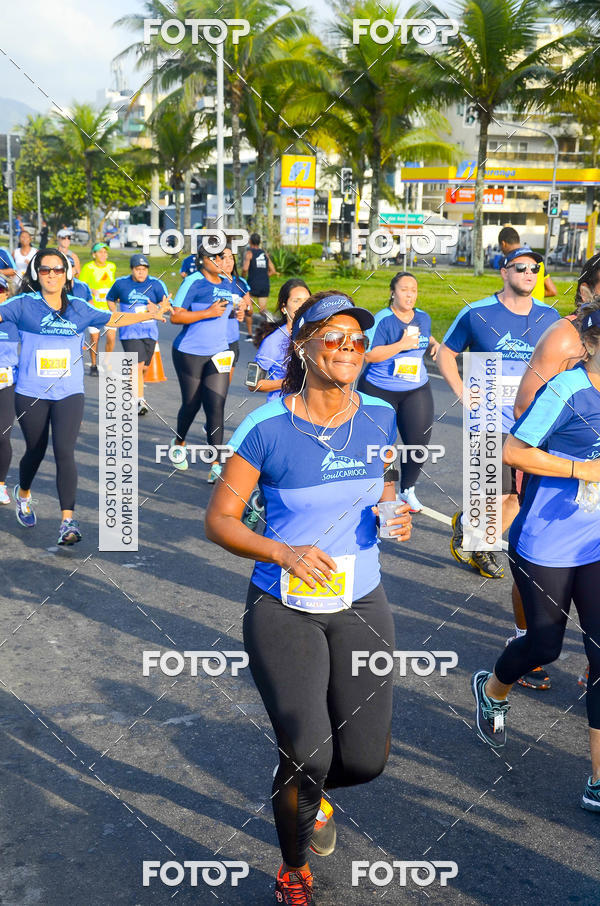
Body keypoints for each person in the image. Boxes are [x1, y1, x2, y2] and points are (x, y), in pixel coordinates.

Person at [205, 291, 412, 906]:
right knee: (306, 749)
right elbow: (220, 519)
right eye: (336, 336)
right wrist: (283, 552)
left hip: (361, 601)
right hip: (283, 605)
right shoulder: (267, 425)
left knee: (366, 760)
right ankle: (293, 864)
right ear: (303, 345)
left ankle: (311, 790)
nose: (350, 347)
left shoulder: (379, 414)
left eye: (357, 338)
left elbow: (388, 481)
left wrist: (393, 512)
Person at [472, 289, 600, 813]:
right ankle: (494, 688)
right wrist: (579, 468)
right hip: (546, 539)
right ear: (593, 343)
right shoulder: (569, 389)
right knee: (545, 646)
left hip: (595, 543)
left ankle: (597, 779)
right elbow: (510, 449)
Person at [1, 248, 169, 545]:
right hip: (31, 392)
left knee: (65, 451)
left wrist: (150, 312)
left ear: (66, 274)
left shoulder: (78, 306)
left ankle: (68, 520)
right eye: (45, 270)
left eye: (57, 269)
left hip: (69, 392)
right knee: (36, 451)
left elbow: (113, 317)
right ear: (36, 274)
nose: (51, 275)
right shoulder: (23, 304)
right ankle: (23, 492)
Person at [438, 247, 561, 579]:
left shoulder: (549, 318)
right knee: (496, 493)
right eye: (520, 267)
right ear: (504, 272)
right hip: (488, 420)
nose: (529, 273)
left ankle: (470, 528)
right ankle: (481, 545)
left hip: (532, 422)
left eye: (535, 268)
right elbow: (445, 355)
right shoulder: (477, 313)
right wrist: (461, 392)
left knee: (518, 498)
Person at [512, 255, 600, 690]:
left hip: (594, 521)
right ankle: (521, 650)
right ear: (587, 290)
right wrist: (580, 462)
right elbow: (523, 413)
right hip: (554, 499)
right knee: (545, 640)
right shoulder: (565, 341)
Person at [358, 272, 440, 513]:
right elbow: (368, 355)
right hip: (379, 389)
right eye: (404, 289)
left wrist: (434, 343)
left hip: (416, 388)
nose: (409, 294)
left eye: (413, 290)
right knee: (381, 445)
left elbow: (425, 336)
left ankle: (407, 490)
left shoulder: (423, 318)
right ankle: (377, 491)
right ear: (393, 292)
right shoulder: (382, 319)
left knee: (418, 442)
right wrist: (401, 345)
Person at [169, 243, 236, 480]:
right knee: (192, 402)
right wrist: (207, 313)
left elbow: (235, 305)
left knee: (215, 405)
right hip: (189, 352)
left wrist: (241, 307)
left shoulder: (228, 283)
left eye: (224, 256)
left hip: (219, 352)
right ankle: (179, 442)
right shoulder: (193, 282)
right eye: (216, 256)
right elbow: (175, 316)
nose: (221, 260)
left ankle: (216, 464)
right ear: (204, 258)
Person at [106, 254, 170, 416]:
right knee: (137, 365)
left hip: (149, 331)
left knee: (144, 367)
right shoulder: (121, 284)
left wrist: (156, 308)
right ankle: (139, 400)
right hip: (129, 331)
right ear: (132, 270)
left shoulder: (155, 284)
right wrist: (115, 314)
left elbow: (166, 305)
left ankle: (134, 391)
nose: (141, 272)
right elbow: (110, 298)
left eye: (144, 269)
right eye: (138, 269)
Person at [251, 279, 311, 400]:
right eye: (296, 301)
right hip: (283, 409)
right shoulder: (273, 341)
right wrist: (291, 382)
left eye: (307, 301)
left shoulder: (316, 334)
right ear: (284, 307)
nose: (303, 306)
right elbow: (253, 384)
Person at [79, 242, 116, 375]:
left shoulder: (112, 266)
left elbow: (114, 284)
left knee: (111, 338)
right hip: (94, 309)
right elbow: (81, 286)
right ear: (94, 254)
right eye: (100, 252)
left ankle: (106, 362)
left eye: (105, 252)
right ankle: (94, 365)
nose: (103, 255)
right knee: (95, 339)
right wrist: (90, 289)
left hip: (109, 308)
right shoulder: (88, 268)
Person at [498, 226, 557, 300]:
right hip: (539, 309)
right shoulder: (537, 261)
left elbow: (510, 293)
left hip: (518, 309)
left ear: (503, 244)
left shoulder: (508, 261)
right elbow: (552, 291)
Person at [0, 276, 19, 505]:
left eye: (0, 289)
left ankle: (1, 485)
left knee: (2, 436)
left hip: (7, 383)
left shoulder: (15, 321)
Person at [220, 246, 250, 384]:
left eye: (231, 258)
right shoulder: (211, 282)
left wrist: (244, 307)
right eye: (223, 257)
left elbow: (250, 308)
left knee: (224, 384)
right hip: (212, 340)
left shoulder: (240, 283)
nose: (228, 261)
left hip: (231, 339)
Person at [241, 233, 278, 339]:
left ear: (250, 241)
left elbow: (245, 269)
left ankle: (249, 334)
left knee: (249, 309)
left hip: (252, 284)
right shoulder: (264, 253)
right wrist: (263, 276)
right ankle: (270, 324)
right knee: (262, 310)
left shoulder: (249, 253)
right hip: (264, 284)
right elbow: (273, 270)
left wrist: (242, 278)